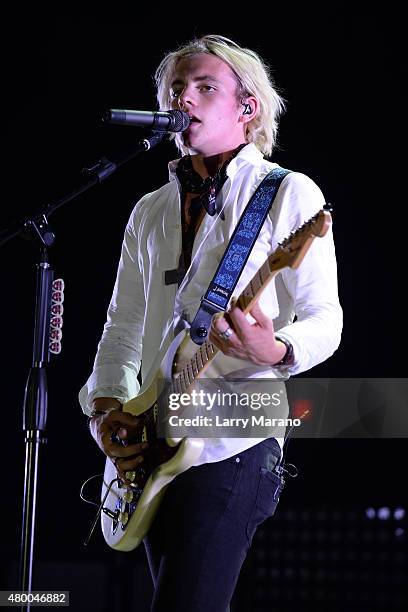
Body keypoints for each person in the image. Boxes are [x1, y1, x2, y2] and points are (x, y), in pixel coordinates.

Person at [79, 34, 342, 611]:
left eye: (205, 86)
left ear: (247, 107)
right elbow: (122, 330)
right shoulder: (147, 211)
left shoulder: (287, 192)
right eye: (177, 88)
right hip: (157, 435)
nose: (186, 98)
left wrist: (273, 349)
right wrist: (106, 409)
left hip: (236, 434)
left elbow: (327, 319)